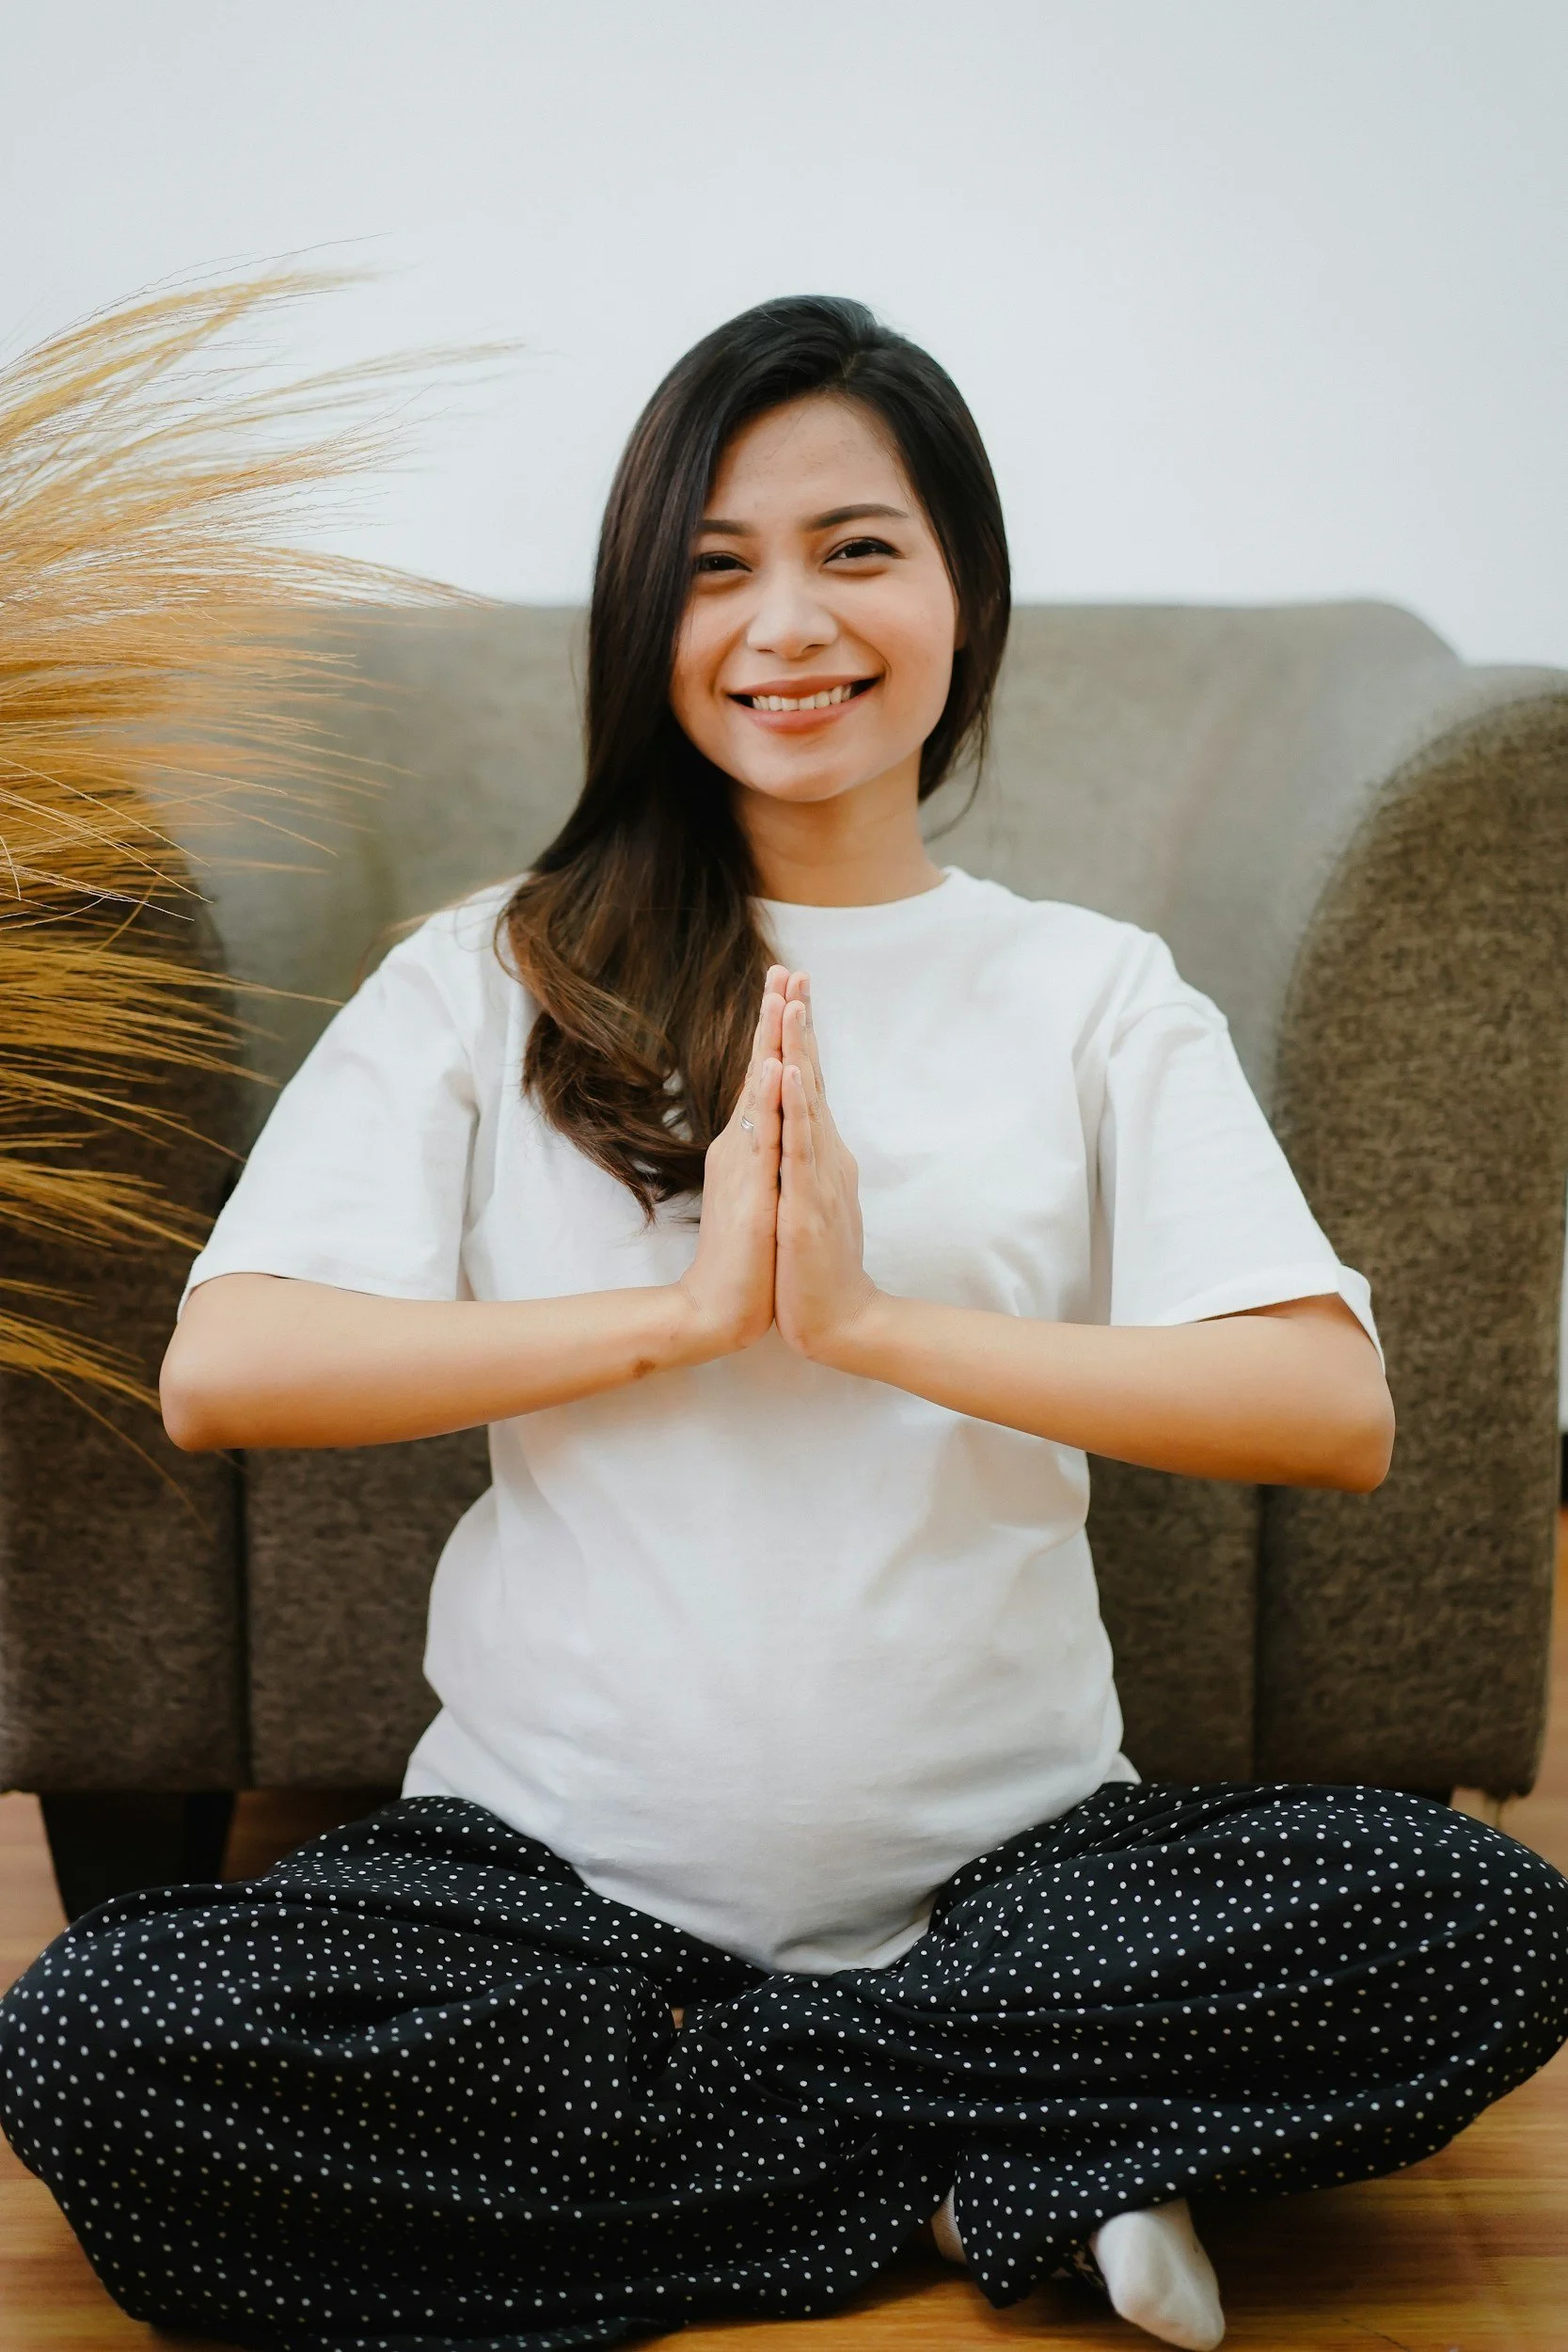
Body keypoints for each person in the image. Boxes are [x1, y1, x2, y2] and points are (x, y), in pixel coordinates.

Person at [2, 295, 1564, 2352]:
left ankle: (752, 2151)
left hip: (1018, 1878)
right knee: (101, 2033)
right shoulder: (494, 970)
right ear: (645, 619)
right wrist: (676, 1317)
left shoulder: (1089, 991)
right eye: (715, 565)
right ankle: (996, 2161)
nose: (786, 623)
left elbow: (1325, 1405)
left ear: (957, 593)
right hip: (540, 1887)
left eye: (855, 548)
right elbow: (232, 1367)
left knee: (1473, 1927)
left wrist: (867, 1314)